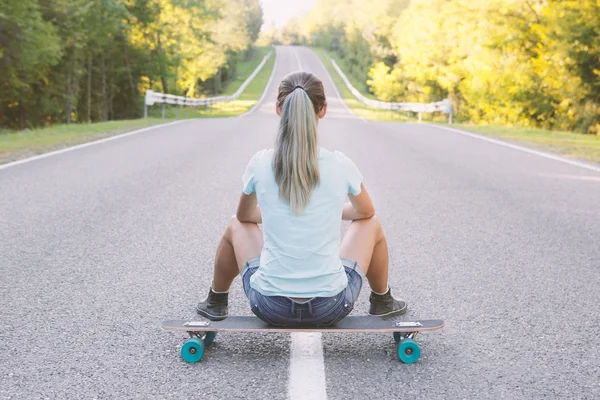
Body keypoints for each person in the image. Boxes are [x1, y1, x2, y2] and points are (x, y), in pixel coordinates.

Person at [196, 71, 407, 326]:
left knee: (234, 224)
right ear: (323, 110)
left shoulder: (261, 162)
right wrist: (324, 208)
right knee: (373, 224)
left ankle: (216, 301)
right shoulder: (340, 163)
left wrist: (298, 208)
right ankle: (382, 300)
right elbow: (366, 212)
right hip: (330, 306)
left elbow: (244, 217)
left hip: (269, 306)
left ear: (278, 109)